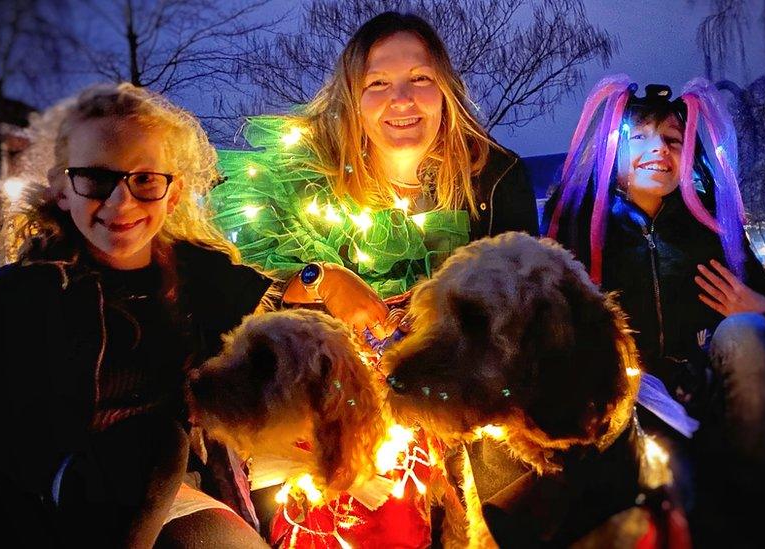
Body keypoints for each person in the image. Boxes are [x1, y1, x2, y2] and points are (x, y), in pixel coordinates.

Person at [209, 11, 539, 547]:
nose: (402, 99)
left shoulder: (495, 179)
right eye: (378, 84)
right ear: (352, 99)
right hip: (342, 399)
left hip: (462, 389)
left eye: (421, 80)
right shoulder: (302, 180)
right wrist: (324, 279)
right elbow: (258, 300)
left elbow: (518, 311)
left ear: (447, 90)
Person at [0, 83, 272, 548]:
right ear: (62, 190)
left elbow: (286, 317)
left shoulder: (203, 283)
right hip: (45, 497)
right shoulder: (15, 299)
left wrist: (321, 276)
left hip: (170, 492)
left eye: (144, 179)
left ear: (173, 193)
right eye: (95, 178)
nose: (120, 202)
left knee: (165, 455)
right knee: (154, 446)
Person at [543, 76, 765, 520]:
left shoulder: (715, 224)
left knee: (749, 332)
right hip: (629, 400)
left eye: (673, 139)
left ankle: (753, 494)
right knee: (675, 498)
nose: (659, 149)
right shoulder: (579, 222)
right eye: (639, 137)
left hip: (708, 383)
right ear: (611, 149)